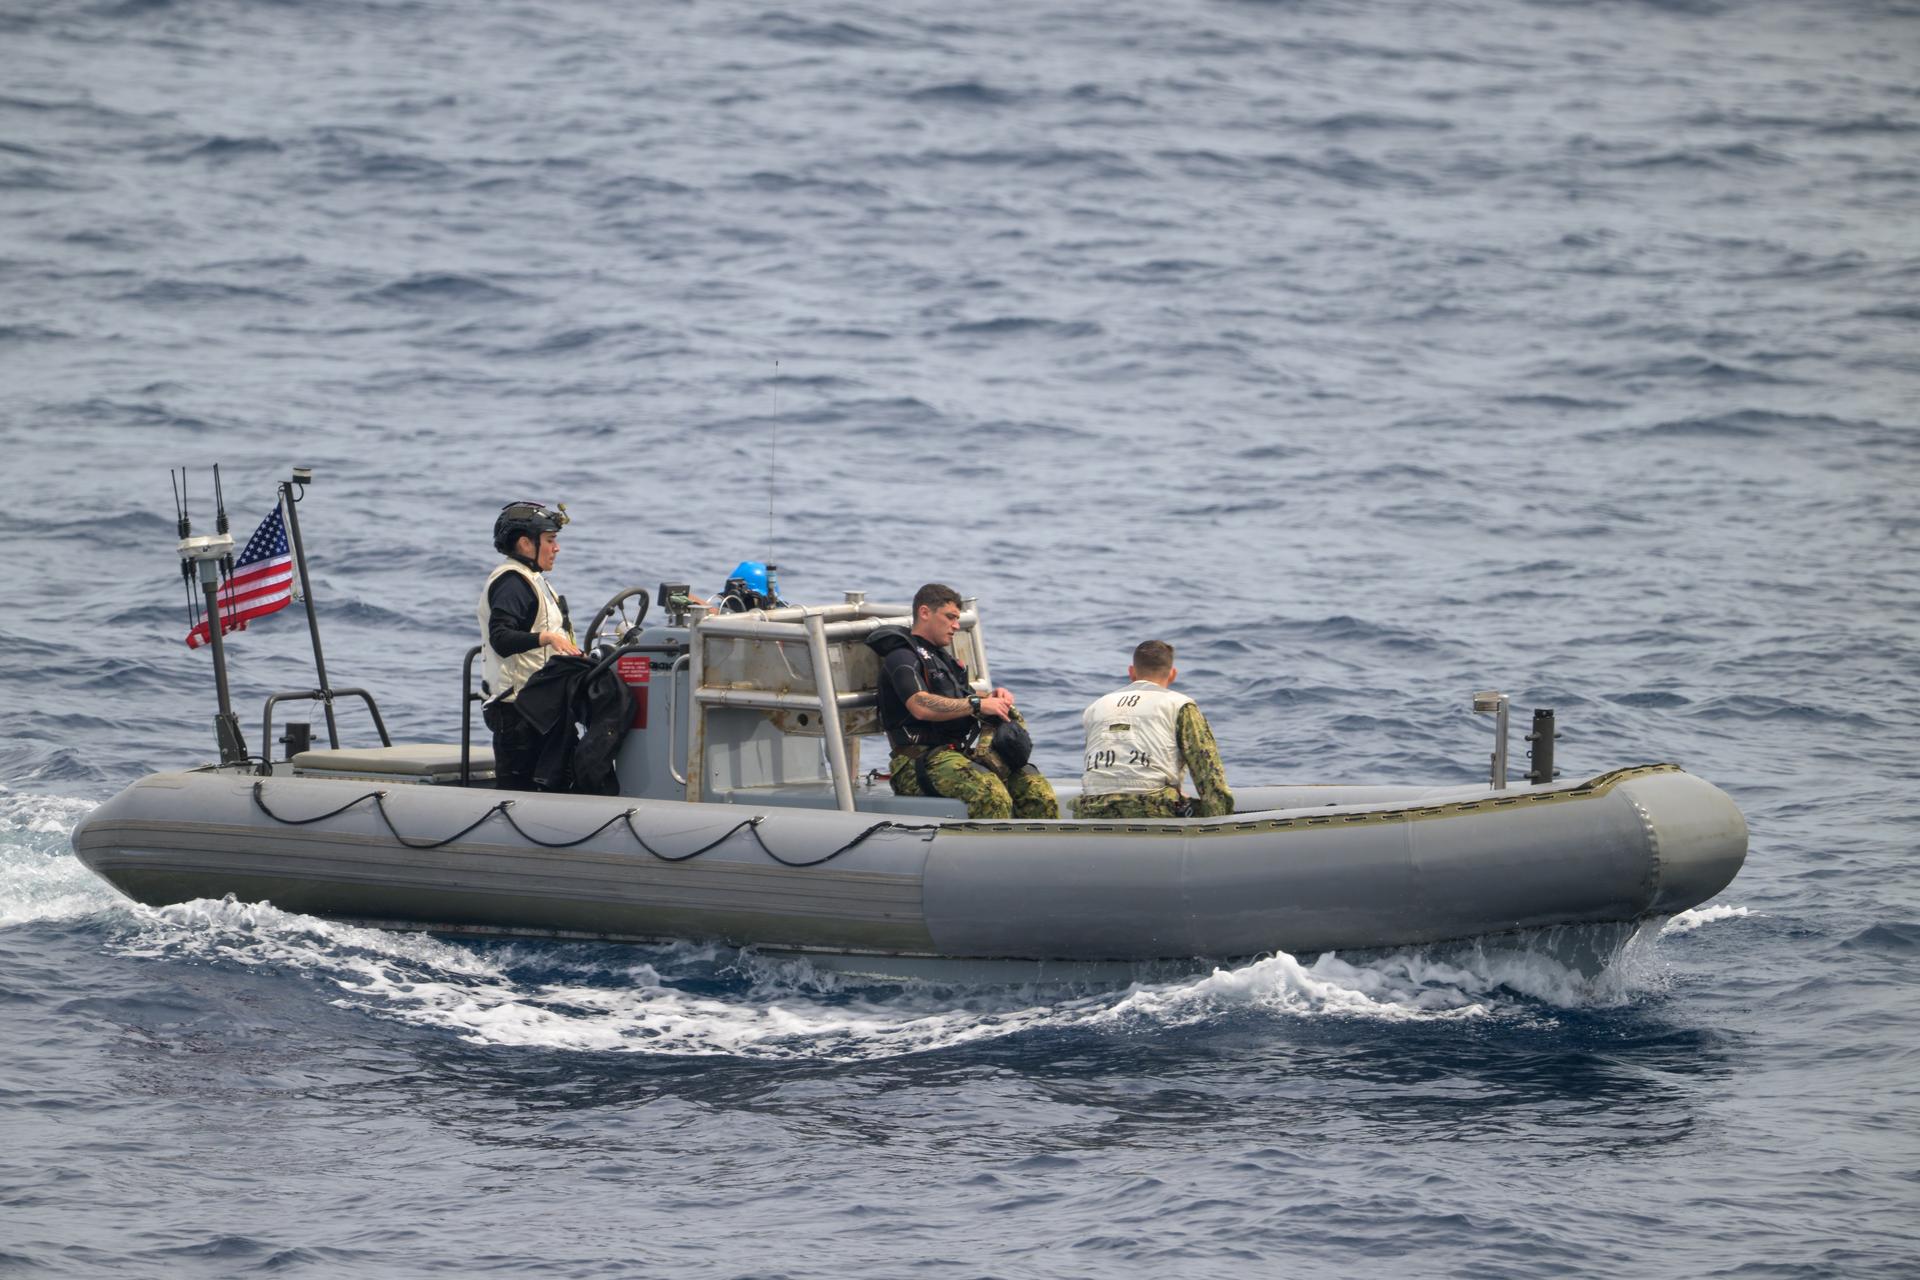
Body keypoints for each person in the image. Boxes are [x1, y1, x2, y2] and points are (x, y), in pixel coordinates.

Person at [871, 583, 1058, 820]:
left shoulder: (946, 662)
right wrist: (978, 704)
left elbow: (962, 699)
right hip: (914, 763)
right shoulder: (902, 657)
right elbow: (919, 705)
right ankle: (987, 854)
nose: (956, 626)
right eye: (950, 617)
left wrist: (992, 699)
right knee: (990, 793)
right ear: (925, 612)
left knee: (1037, 791)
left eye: (957, 619)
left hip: (957, 755)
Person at [476, 500, 580, 791]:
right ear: (525, 543)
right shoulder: (512, 583)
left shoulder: (534, 581)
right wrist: (546, 638)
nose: (556, 548)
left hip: (541, 706)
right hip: (517, 712)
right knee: (519, 791)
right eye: (550, 540)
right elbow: (501, 638)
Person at [1074, 640, 1233, 819]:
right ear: (1172, 674)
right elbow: (1209, 774)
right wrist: (1220, 821)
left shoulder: (1095, 707)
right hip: (1152, 810)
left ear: (1131, 672)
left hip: (1092, 810)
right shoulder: (1179, 705)